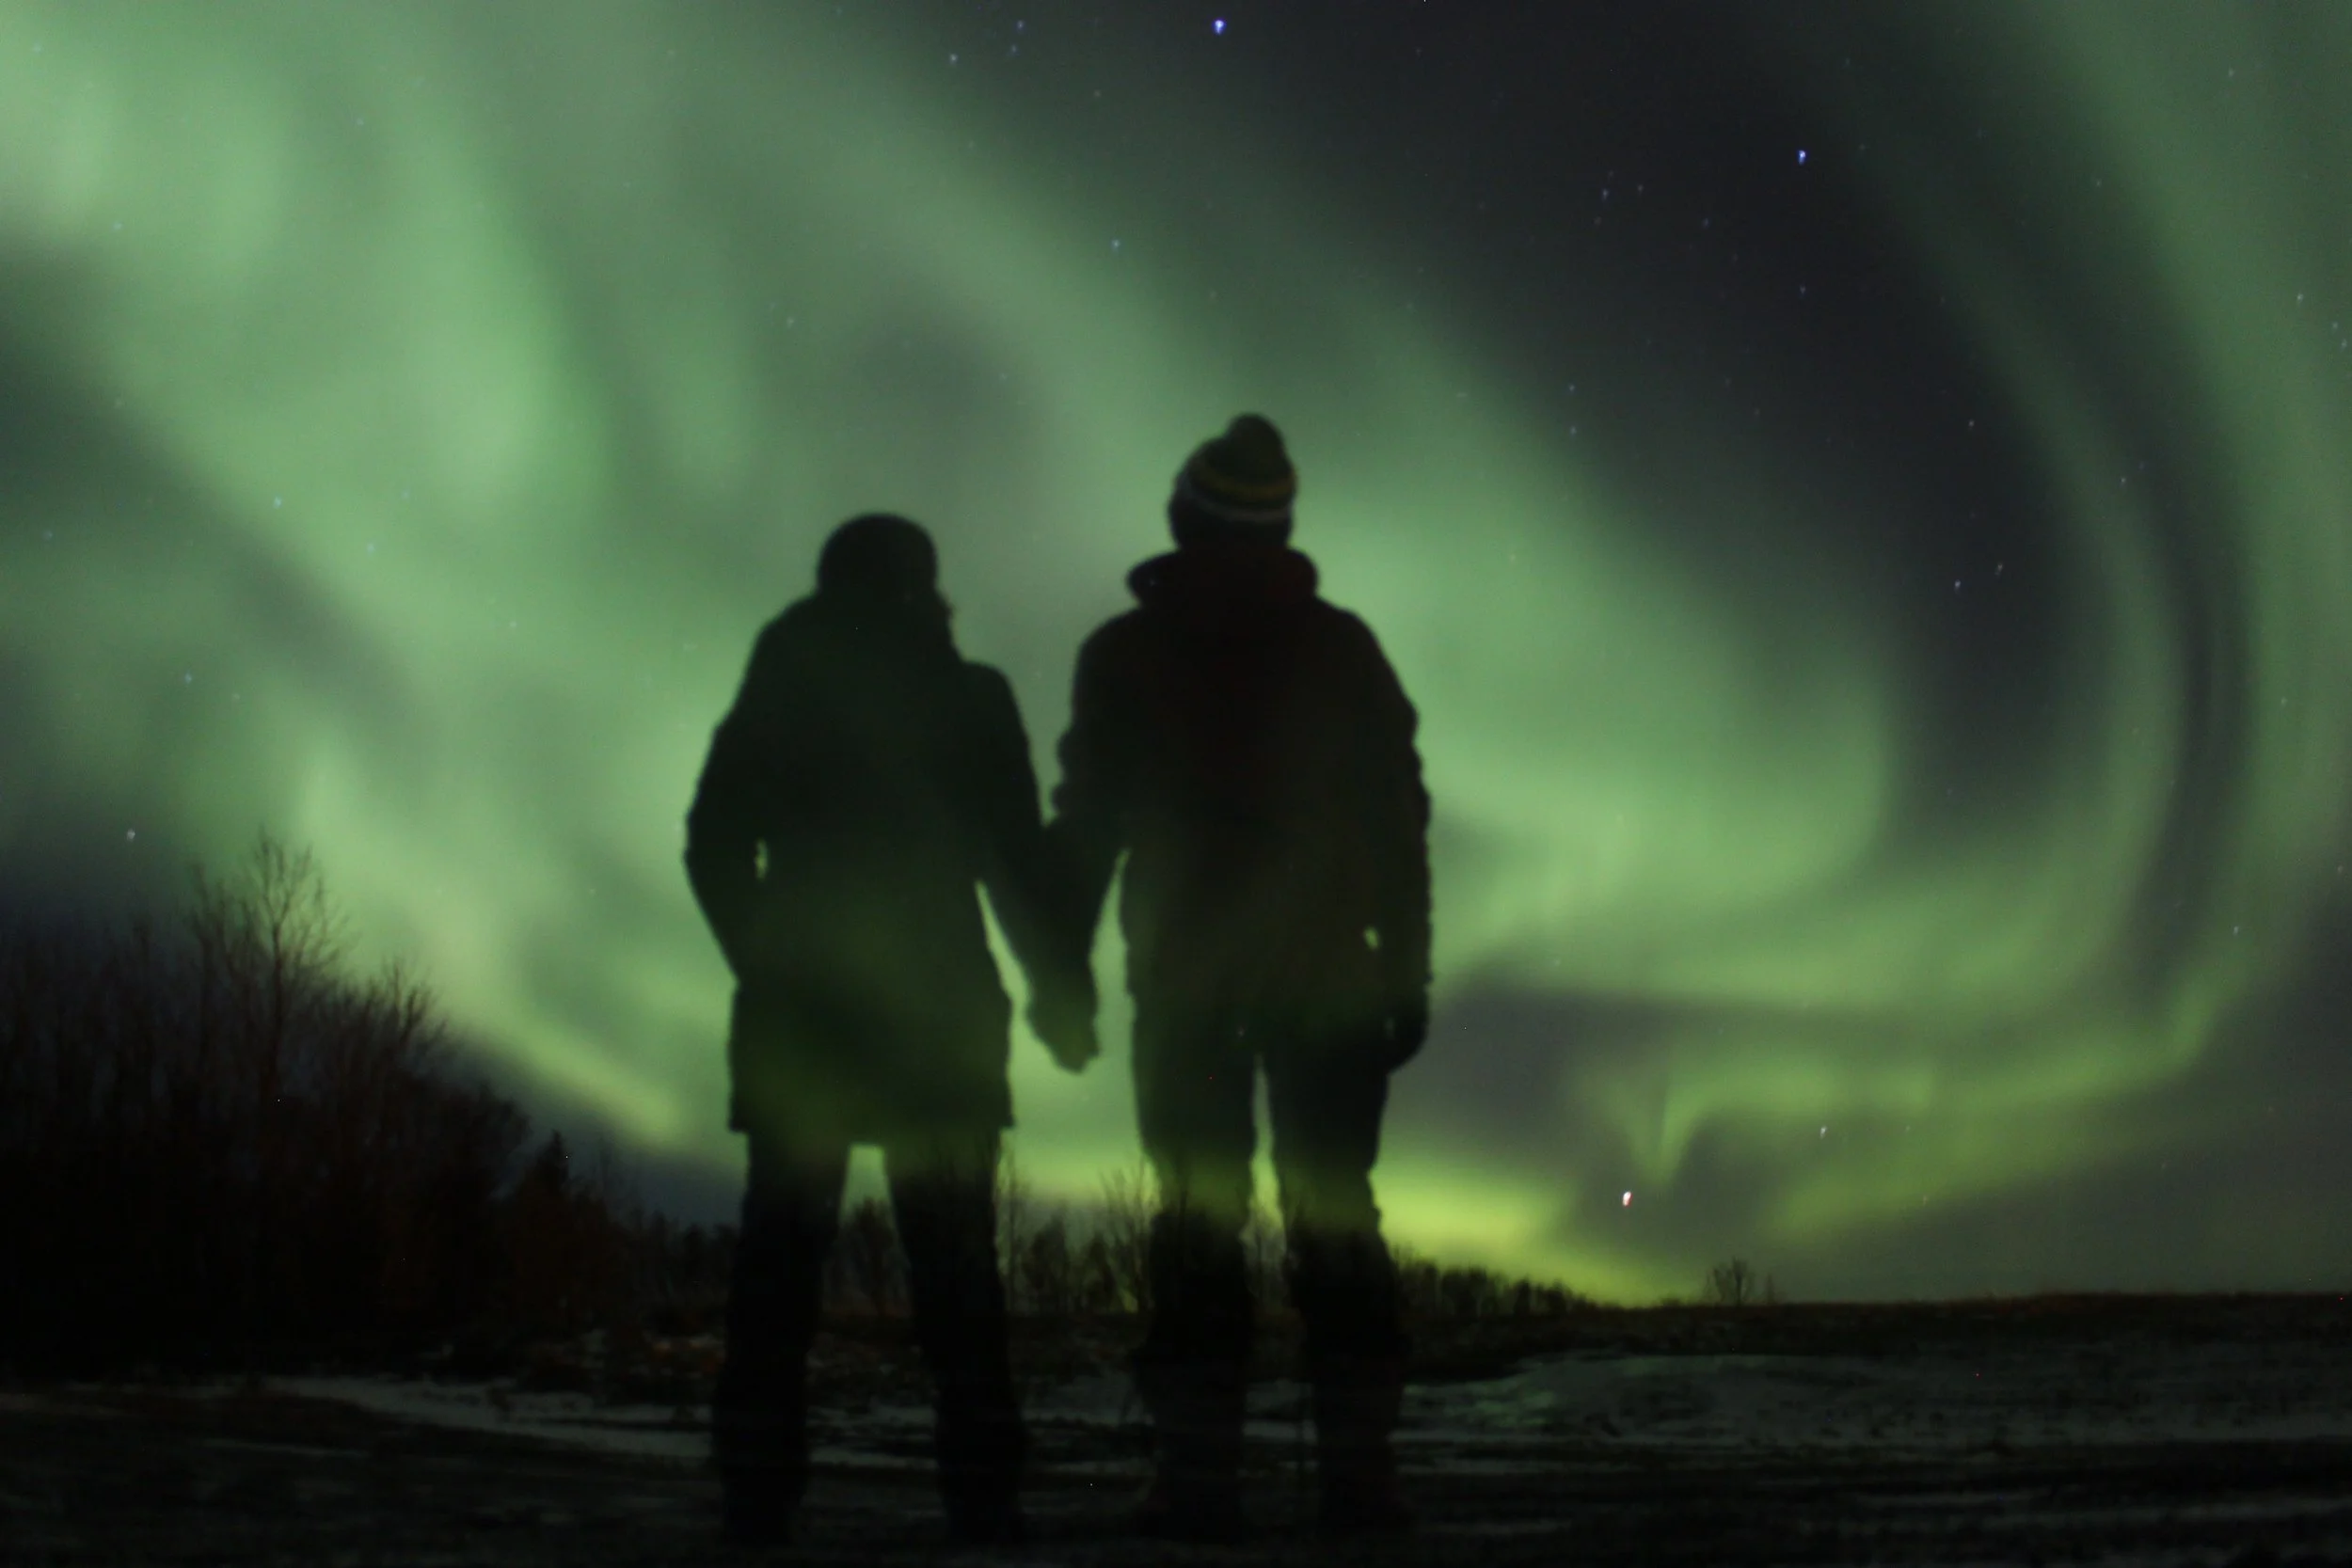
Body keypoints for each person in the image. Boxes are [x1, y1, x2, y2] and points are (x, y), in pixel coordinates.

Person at [1036, 414, 1432, 1538]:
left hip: (1188, 979)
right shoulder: (1342, 647)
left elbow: (1087, 819)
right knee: (1337, 1214)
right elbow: (1398, 819)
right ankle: (1360, 1474)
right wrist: (1405, 966)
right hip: (1325, 983)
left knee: (1198, 1216)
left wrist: (1060, 968)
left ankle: (1197, 1474)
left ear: (1184, 516)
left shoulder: (1126, 652)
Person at [684, 514, 1096, 1549]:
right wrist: (1059, 992)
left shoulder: (779, 689)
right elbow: (1014, 863)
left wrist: (766, 959)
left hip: (803, 1023)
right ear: (927, 590)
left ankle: (756, 1503)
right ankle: (983, 1501)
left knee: (779, 1266)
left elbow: (712, 843)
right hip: (940, 1018)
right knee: (957, 1269)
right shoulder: (971, 697)